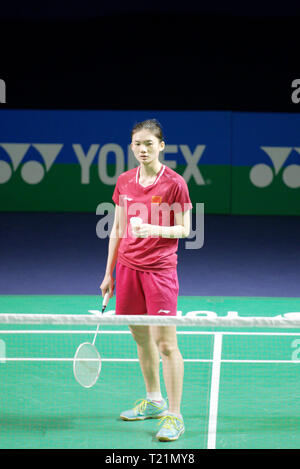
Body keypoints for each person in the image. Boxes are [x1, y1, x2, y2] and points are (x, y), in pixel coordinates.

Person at [100, 119, 192, 442]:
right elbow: (118, 228)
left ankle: (175, 416)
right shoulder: (124, 181)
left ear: (161, 146)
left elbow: (185, 229)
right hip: (127, 270)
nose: (143, 149)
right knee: (141, 339)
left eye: (149, 144)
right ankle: (154, 400)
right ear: (131, 147)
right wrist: (109, 273)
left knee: (167, 345)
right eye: (137, 144)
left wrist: (155, 230)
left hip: (160, 271)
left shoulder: (175, 184)